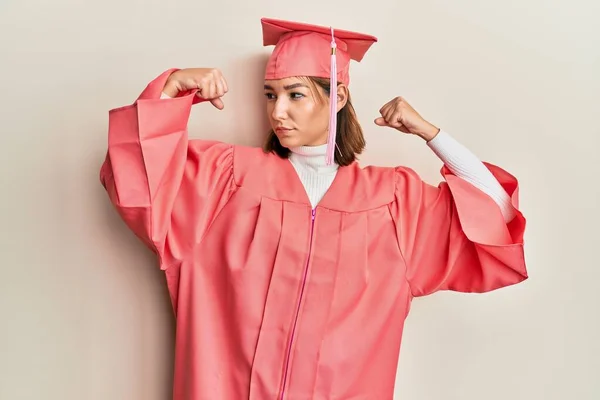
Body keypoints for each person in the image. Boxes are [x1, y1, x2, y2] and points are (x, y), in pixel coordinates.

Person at [100, 17, 527, 400]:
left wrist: (431, 134)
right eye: (270, 95)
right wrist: (171, 89)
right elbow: (137, 180)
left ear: (338, 96)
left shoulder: (394, 203)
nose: (277, 112)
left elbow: (496, 219)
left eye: (295, 95)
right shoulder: (223, 181)